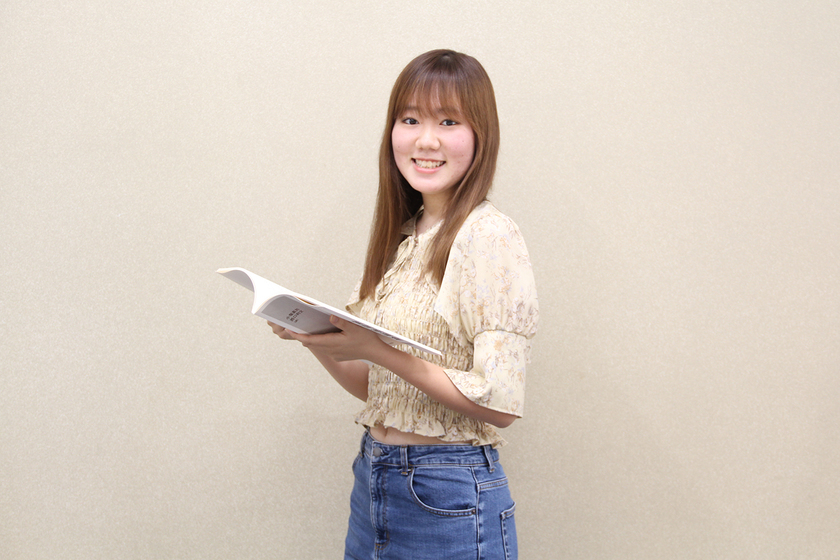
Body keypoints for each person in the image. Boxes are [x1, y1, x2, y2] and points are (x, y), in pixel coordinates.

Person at [269, 49, 538, 560]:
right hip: (374, 479)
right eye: (410, 119)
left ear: (481, 135)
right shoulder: (402, 238)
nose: (425, 139)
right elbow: (379, 387)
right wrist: (315, 338)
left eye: (449, 121)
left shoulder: (488, 235)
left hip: (448, 494)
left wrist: (377, 348)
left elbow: (501, 402)